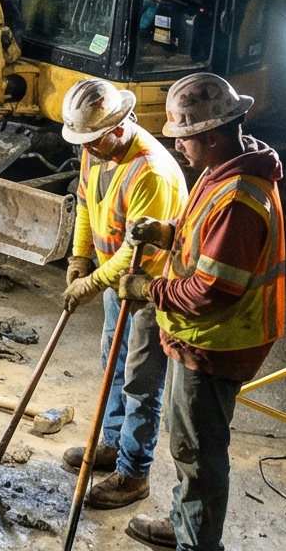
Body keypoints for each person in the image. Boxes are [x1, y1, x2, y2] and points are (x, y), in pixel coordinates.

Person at [121, 72, 285, 551]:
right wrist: (165, 233)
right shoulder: (223, 170)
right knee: (187, 441)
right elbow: (202, 244)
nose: (176, 143)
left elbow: (214, 286)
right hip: (201, 337)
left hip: (217, 340)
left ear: (213, 135)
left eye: (183, 135)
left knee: (198, 450)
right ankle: (186, 524)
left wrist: (151, 290)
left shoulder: (238, 195)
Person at [55, 78, 187, 511]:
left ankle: (133, 472)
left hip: (149, 287)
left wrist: (89, 285)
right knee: (111, 365)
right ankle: (110, 445)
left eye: (93, 140)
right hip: (117, 282)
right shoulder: (95, 149)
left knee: (139, 381)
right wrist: (79, 258)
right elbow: (84, 202)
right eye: (83, 142)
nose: (87, 149)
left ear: (119, 126)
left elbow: (138, 253)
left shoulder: (150, 172)